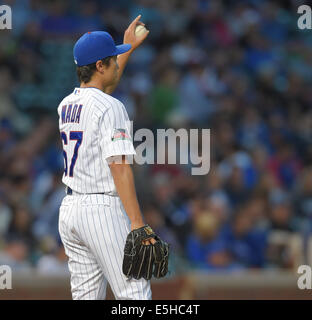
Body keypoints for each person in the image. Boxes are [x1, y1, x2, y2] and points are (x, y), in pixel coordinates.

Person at [57, 16, 153, 300]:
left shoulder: (66, 104)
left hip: (70, 210)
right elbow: (120, 168)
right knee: (135, 291)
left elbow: (102, 90)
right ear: (100, 66)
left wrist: (128, 48)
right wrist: (138, 224)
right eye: (112, 59)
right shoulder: (112, 107)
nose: (115, 63)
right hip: (102, 209)